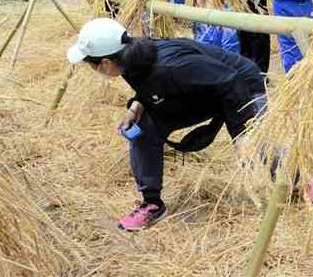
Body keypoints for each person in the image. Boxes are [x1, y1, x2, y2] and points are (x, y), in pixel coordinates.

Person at [67, 18, 265, 230]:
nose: (91, 68)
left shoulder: (170, 65)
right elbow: (151, 86)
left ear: (106, 63)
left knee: (254, 145)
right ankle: (152, 204)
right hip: (202, 91)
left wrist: (241, 134)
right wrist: (136, 106)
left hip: (241, 86)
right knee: (144, 128)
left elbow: (231, 82)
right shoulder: (131, 59)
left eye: (90, 64)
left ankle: (298, 179)